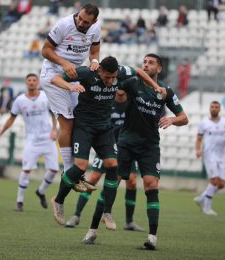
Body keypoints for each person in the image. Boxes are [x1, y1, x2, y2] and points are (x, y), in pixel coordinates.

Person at [83, 54, 188, 250]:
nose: (146, 65)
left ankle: (152, 239)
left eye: (151, 63)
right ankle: (92, 230)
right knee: (111, 185)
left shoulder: (166, 91)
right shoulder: (132, 83)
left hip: (150, 146)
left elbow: (184, 117)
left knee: (151, 185)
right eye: (144, 62)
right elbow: (113, 79)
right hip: (126, 143)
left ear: (159, 69)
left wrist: (172, 120)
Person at [49, 56, 165, 229]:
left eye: (113, 77)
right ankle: (58, 200)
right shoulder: (87, 73)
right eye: (107, 77)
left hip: (105, 128)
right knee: (81, 166)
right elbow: (54, 78)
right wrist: (70, 86)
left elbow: (139, 72)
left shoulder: (121, 72)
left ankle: (107, 212)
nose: (111, 81)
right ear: (99, 70)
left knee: (113, 165)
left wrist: (156, 86)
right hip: (84, 126)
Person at [66, 90, 145, 232]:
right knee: (94, 178)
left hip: (126, 148)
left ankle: (129, 221)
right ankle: (76, 215)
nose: (121, 87)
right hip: (107, 147)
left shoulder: (133, 104)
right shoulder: (107, 103)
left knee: (132, 181)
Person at [40, 3, 101, 176]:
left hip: (75, 77)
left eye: (85, 22)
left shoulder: (96, 27)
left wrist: (95, 62)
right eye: (79, 18)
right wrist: (65, 63)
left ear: (94, 21)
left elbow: (95, 51)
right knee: (67, 121)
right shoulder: (64, 24)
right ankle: (68, 171)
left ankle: (77, 167)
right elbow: (45, 50)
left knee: (80, 120)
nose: (81, 23)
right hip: (53, 74)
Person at [0, 74, 59, 211]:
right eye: (29, 80)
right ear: (26, 83)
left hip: (47, 138)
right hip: (32, 140)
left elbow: (54, 114)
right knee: (26, 170)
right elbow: (11, 119)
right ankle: (19, 202)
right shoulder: (20, 100)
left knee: (54, 170)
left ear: (38, 82)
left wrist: (54, 130)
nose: (32, 82)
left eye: (34, 80)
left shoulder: (45, 97)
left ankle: (41, 191)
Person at [194, 101, 225, 216]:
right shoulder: (204, 123)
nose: (214, 109)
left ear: (219, 109)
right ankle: (207, 208)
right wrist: (198, 150)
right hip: (209, 155)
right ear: (209, 108)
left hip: (221, 155)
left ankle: (201, 198)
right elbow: (199, 139)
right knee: (214, 181)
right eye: (212, 107)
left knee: (221, 184)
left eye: (216, 107)